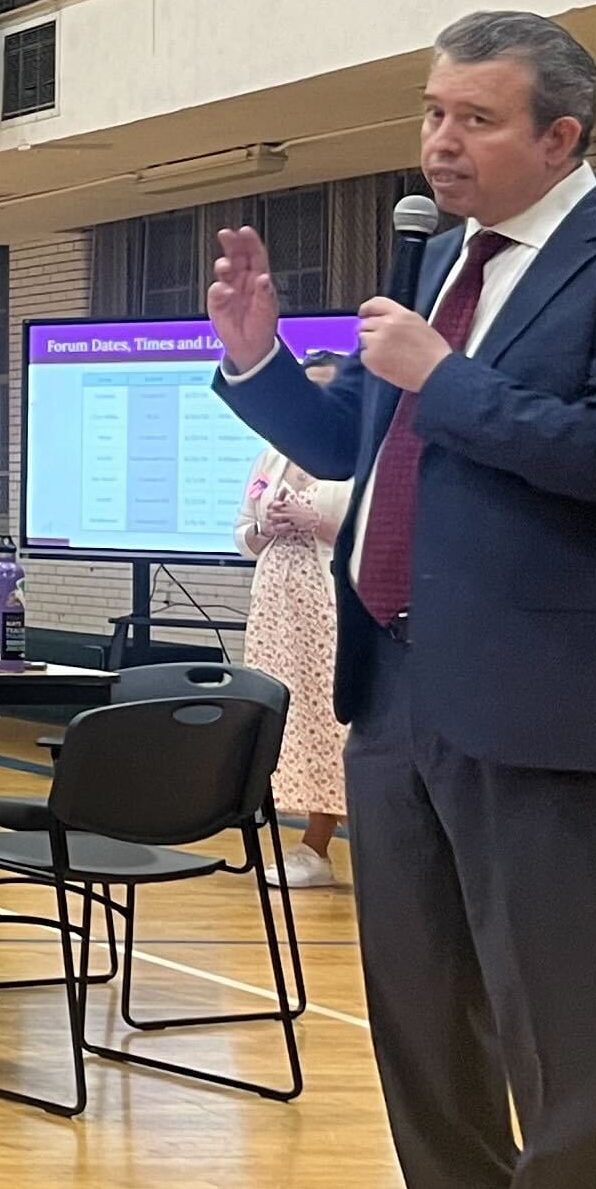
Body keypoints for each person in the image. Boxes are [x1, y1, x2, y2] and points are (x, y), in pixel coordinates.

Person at [211, 9, 596, 1189]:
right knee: (420, 998)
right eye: (435, 112)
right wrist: (261, 362)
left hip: (544, 688)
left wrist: (453, 379)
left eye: (477, 118)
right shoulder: (441, 265)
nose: (443, 140)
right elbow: (368, 455)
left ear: (562, 136)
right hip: (402, 676)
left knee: (564, 1011)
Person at [235, 355, 357, 888]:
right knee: (285, 717)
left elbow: (376, 531)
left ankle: (322, 841)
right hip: (278, 607)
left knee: (335, 719)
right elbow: (241, 533)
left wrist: (316, 520)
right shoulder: (271, 455)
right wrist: (265, 529)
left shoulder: (357, 454)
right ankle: (299, 845)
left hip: (332, 603)